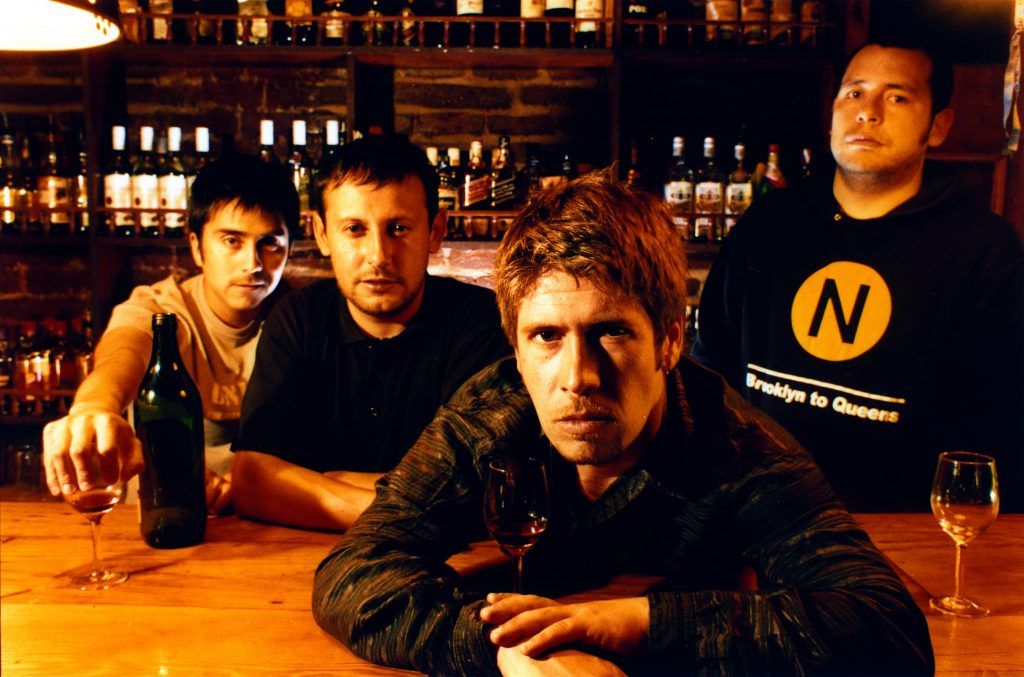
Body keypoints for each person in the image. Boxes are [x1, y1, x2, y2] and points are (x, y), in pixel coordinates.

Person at [311, 170, 934, 676]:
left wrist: (631, 623)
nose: (578, 376)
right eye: (546, 336)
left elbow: (887, 628)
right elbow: (353, 572)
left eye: (610, 332)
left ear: (669, 341)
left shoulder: (737, 446)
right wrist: (511, 651)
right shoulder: (490, 419)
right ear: (516, 350)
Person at [691, 38, 1024, 512]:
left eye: (897, 97)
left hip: (900, 529)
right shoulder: (768, 223)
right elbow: (708, 373)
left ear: (938, 126)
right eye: (854, 93)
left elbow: (996, 427)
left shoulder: (984, 250)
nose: (868, 112)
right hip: (756, 517)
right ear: (832, 113)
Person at [230, 135, 511, 531]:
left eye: (398, 228)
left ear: (435, 230)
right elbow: (251, 481)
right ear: (322, 234)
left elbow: (483, 491)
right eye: (354, 229)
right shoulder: (298, 319)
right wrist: (407, 509)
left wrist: (324, 483)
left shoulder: (481, 322)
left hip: (444, 562)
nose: (378, 256)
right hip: (297, 557)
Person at [42, 154, 300, 515]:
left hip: (271, 520)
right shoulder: (160, 309)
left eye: (269, 242)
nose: (252, 263)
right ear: (197, 246)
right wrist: (93, 408)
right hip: (162, 517)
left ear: (290, 248)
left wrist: (243, 484)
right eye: (231, 240)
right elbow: (123, 354)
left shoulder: (302, 319)